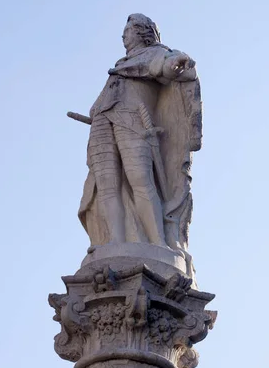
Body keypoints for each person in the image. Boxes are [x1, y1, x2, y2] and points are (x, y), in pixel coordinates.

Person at [79, 13, 202, 262]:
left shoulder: (155, 53)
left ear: (143, 32)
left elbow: (168, 66)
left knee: (140, 180)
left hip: (133, 121)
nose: (123, 34)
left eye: (129, 29)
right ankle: (115, 239)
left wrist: (178, 61)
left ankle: (158, 242)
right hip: (104, 121)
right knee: (107, 186)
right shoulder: (120, 64)